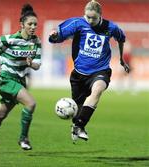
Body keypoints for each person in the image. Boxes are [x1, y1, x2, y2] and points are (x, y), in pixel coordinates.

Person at [49, 0, 130, 142]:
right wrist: (54, 36)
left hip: (101, 70)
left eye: (93, 17)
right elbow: (58, 37)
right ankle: (76, 125)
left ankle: (80, 126)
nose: (90, 20)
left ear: (100, 15)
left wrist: (122, 59)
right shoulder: (77, 23)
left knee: (97, 90)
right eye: (88, 17)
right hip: (79, 73)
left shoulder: (111, 27)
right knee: (78, 108)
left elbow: (121, 38)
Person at [0, 3, 42, 152]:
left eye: (35, 24)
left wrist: (31, 64)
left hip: (19, 81)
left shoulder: (36, 42)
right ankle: (23, 138)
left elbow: (37, 64)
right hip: (6, 79)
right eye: (30, 24)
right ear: (22, 24)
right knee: (31, 103)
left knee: (0, 114)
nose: (33, 27)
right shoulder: (10, 39)